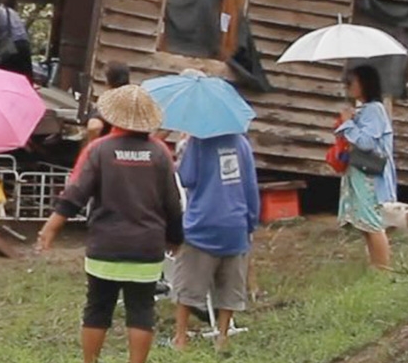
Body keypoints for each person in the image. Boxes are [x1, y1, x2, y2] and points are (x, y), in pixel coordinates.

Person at [37, 85, 183, 363]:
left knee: (97, 308)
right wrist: (175, 237)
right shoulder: (160, 152)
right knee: (141, 310)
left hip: (106, 245)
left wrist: (50, 228)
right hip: (147, 247)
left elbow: (76, 194)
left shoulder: (100, 150)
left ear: (113, 117)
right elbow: (172, 202)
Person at [170, 133, 260, 353]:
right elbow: (251, 185)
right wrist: (250, 222)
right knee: (230, 286)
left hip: (203, 224)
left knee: (188, 286)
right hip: (235, 224)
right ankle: (223, 336)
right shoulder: (241, 143)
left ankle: (181, 338)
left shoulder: (198, 143)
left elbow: (186, 177)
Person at [337, 65, 398, 269]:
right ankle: (376, 266)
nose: (349, 87)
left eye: (352, 83)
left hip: (370, 176)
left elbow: (366, 143)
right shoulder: (365, 110)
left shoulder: (375, 110)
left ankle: (383, 270)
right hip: (360, 173)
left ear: (365, 83)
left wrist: (347, 123)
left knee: (373, 223)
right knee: (365, 223)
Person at [85, 61, 130, 143]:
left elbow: (94, 127)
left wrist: (92, 145)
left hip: (109, 148)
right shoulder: (133, 100)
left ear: (108, 81)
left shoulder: (109, 100)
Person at [0, 0, 33, 79]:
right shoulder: (11, 11)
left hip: (12, 45)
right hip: (24, 42)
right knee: (25, 75)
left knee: (8, 74)